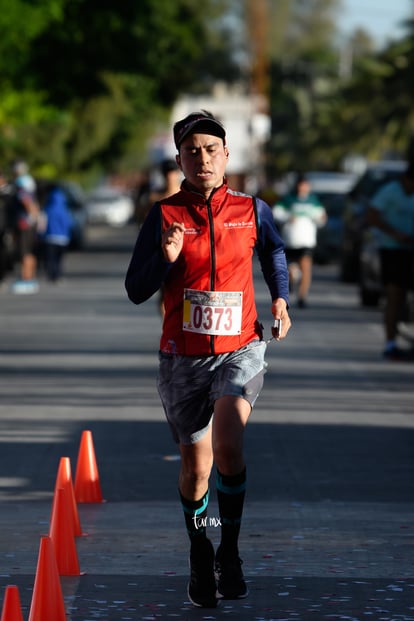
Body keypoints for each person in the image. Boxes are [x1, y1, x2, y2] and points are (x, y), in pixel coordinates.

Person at [125, 110, 291, 608]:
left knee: (230, 445)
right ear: (178, 159)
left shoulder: (251, 208)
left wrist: (280, 298)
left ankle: (231, 552)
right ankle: (201, 549)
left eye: (211, 149)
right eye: (192, 150)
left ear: (226, 155)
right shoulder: (164, 215)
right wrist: (166, 259)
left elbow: (275, 253)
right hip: (182, 358)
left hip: (239, 348)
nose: (202, 158)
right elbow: (136, 289)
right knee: (197, 469)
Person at [366, 162, 414, 360]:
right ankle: (390, 343)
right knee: (395, 296)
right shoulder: (390, 191)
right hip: (393, 250)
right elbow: (372, 215)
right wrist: (395, 234)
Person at [272, 174, 326, 308]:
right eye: (301, 185)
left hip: (307, 240)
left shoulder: (313, 200)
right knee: (291, 268)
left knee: (306, 267)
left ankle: (302, 296)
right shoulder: (288, 199)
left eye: (305, 185)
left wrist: (322, 218)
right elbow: (276, 212)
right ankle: (291, 281)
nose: (303, 188)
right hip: (290, 240)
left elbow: (321, 216)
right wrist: (288, 217)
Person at [10, 160, 40, 294]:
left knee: (24, 252)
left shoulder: (21, 182)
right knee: (29, 251)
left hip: (24, 222)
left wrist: (32, 216)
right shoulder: (29, 180)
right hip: (29, 222)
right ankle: (30, 278)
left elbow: (26, 200)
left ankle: (26, 279)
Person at [39, 182, 73, 282]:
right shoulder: (65, 210)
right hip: (63, 239)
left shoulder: (47, 209)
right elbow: (69, 224)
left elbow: (42, 224)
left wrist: (41, 235)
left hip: (50, 238)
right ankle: (58, 275)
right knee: (59, 259)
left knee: (51, 259)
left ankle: (52, 275)